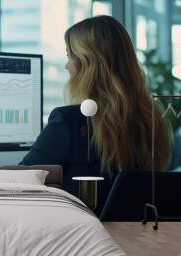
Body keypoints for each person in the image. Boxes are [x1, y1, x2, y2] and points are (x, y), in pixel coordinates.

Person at [20, 15, 171, 215]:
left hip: (82, 238)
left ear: (87, 64)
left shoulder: (69, 121)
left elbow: (21, 180)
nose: (67, 66)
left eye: (69, 57)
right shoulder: (153, 121)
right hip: (141, 238)